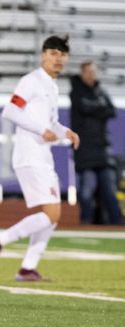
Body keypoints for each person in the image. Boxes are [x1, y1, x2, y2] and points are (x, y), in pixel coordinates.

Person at [0, 35, 80, 282]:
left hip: (42, 156)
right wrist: (40, 129)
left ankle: (27, 268)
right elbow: (11, 110)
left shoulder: (51, 85)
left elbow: (51, 122)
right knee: (52, 214)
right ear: (43, 55)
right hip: (30, 155)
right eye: (53, 53)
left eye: (62, 54)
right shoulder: (32, 80)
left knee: (52, 218)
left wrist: (65, 132)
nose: (58, 59)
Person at [69, 60, 122, 225]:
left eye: (94, 72)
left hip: (102, 149)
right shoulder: (76, 92)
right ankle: (85, 222)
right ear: (82, 74)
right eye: (89, 72)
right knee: (86, 190)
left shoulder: (101, 91)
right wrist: (100, 108)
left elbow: (112, 111)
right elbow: (84, 107)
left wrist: (96, 109)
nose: (92, 75)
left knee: (109, 189)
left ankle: (117, 223)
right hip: (84, 149)